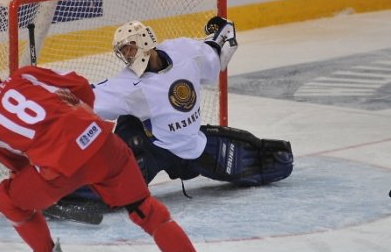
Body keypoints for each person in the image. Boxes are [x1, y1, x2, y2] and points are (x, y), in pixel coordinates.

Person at [0, 64, 237, 252]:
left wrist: (47, 189)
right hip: (102, 143)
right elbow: (80, 85)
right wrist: (82, 121)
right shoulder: (25, 75)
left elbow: (20, 168)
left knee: (8, 198)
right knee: (145, 209)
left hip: (60, 170)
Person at [53, 17, 293, 216]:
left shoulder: (185, 51)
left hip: (192, 145)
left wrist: (221, 32)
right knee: (114, 191)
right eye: (123, 52)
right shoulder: (129, 85)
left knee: (278, 161)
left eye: (130, 47)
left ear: (145, 39)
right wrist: (48, 96)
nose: (128, 55)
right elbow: (87, 98)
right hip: (150, 149)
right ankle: (56, 191)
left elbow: (219, 51)